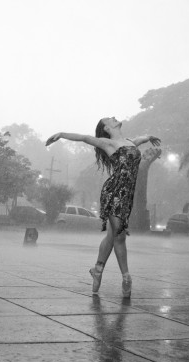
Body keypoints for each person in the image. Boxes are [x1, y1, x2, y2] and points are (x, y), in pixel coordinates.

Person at [46, 117, 161, 297]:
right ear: (107, 128)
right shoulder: (108, 143)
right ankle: (126, 277)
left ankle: (97, 270)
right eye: (110, 119)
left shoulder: (131, 142)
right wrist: (61, 134)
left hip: (126, 195)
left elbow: (141, 138)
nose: (115, 118)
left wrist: (149, 136)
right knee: (119, 236)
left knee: (112, 235)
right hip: (114, 192)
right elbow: (84, 138)